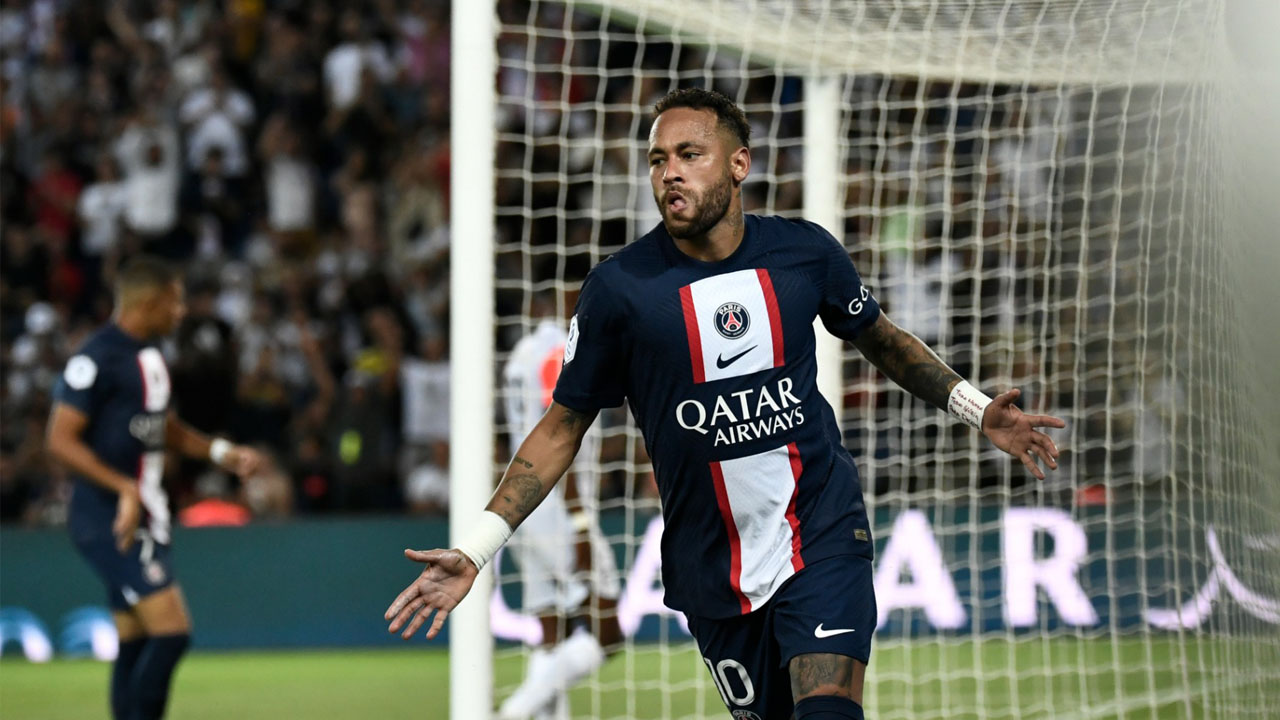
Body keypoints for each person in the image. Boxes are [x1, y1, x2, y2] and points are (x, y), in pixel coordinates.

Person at [385, 88, 1065, 720]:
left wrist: (977, 409)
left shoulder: (803, 254)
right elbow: (562, 428)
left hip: (818, 532)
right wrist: (475, 550)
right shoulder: (621, 292)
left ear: (739, 163)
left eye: (689, 155)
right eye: (657, 160)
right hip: (712, 566)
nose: (669, 173)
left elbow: (881, 341)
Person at [46, 255, 262, 720]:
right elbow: (59, 440)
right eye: (175, 301)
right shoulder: (95, 357)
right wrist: (124, 488)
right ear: (149, 303)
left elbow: (164, 429)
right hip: (108, 518)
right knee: (172, 633)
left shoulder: (152, 360)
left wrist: (222, 454)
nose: (181, 311)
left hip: (144, 514)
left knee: (136, 639)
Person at [496, 296, 622, 720]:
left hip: (523, 507)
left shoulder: (519, 357)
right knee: (608, 635)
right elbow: (560, 433)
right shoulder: (560, 350)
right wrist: (581, 521)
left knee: (551, 632)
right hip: (560, 510)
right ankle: (511, 713)